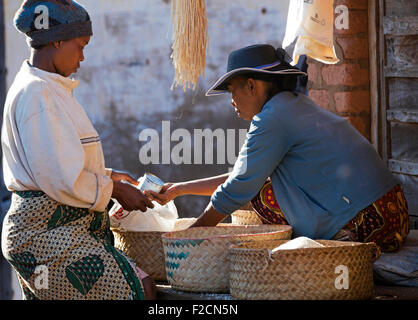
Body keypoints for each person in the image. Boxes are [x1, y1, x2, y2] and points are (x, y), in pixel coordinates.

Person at [147, 44, 410, 253]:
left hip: (369, 223)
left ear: (252, 86)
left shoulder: (272, 118)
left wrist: (190, 236)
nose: (232, 102)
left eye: (232, 91)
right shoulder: (292, 105)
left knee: (260, 193)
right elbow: (244, 176)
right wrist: (180, 190)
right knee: (260, 184)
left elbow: (240, 187)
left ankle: (342, 242)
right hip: (394, 213)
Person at [1, 0, 155, 300]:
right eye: (81, 45)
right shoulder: (37, 93)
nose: (83, 57)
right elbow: (61, 178)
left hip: (51, 234)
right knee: (139, 289)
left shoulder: (48, 88)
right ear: (57, 40)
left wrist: (108, 175)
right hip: (43, 236)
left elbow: (57, 160)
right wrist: (114, 189)